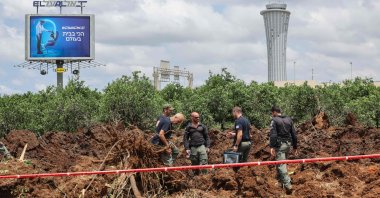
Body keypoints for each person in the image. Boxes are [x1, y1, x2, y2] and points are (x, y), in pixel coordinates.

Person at [269, 106, 298, 194]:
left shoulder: (274, 120)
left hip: (280, 145)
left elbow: (273, 135)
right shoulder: (289, 119)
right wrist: (295, 147)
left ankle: (288, 185)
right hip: (288, 144)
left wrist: (272, 146)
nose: (272, 115)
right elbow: (294, 134)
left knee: (281, 164)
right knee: (281, 162)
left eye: (272, 113)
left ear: (274, 112)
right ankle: (280, 180)